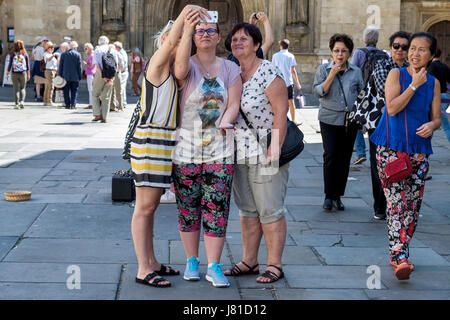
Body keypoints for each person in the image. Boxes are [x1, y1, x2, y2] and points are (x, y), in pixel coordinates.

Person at [130, 5, 209, 289]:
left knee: (150, 208)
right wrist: (187, 17)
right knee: (145, 207)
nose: (179, 45)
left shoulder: (175, 75)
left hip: (162, 146)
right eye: (174, 40)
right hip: (151, 143)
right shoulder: (156, 65)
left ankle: (151, 261)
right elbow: (172, 41)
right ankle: (142, 268)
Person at [173, 12, 242, 288]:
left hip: (220, 150)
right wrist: (186, 30)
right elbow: (178, 74)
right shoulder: (186, 65)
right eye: (199, 31)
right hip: (185, 150)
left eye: (210, 30)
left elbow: (234, 102)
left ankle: (214, 265)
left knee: (216, 207)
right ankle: (191, 261)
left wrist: (227, 119)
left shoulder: (230, 68)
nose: (204, 34)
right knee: (188, 207)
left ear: (218, 36)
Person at [370, 32, 441, 281]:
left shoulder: (434, 83)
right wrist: (413, 86)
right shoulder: (396, 75)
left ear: (432, 55)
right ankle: (400, 256)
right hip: (391, 148)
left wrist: (432, 126)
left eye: (422, 49)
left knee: (412, 206)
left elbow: (437, 118)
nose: (414, 53)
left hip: (420, 151)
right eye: (412, 48)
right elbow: (392, 108)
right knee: (397, 204)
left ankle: (400, 252)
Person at [224, 22, 289, 284]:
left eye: (244, 39)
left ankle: (275, 264)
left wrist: (276, 147)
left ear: (257, 45)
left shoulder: (268, 71)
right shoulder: (232, 73)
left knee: (270, 210)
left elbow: (281, 112)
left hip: (265, 150)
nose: (238, 42)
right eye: (234, 39)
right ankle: (250, 261)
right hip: (239, 152)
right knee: (248, 210)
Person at [353, 31, 411, 220]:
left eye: (404, 47)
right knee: (379, 164)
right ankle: (380, 206)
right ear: (390, 47)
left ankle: (399, 202)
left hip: (406, 124)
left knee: (404, 162)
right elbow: (387, 95)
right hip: (380, 123)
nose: (400, 50)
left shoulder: (413, 68)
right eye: (396, 46)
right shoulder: (382, 66)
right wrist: (411, 90)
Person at [313, 34, 364, 211]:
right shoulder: (323, 70)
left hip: (350, 121)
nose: (340, 54)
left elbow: (361, 94)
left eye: (343, 51)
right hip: (328, 118)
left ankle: (338, 196)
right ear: (331, 52)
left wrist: (361, 118)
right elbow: (319, 92)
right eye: (336, 51)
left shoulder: (356, 71)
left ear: (349, 53)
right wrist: (332, 74)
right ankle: (328, 195)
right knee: (331, 155)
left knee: (344, 158)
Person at [351, 27, 387, 165]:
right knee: (376, 123)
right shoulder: (384, 54)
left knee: (357, 121)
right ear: (377, 40)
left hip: (363, 93)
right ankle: (376, 152)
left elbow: (353, 72)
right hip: (379, 95)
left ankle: (360, 152)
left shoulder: (359, 53)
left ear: (364, 39)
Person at [272, 39, 302, 125]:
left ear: (280, 46)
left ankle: (278, 120)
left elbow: (273, 70)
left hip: (278, 83)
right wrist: (298, 83)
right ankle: (294, 120)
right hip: (288, 82)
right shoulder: (291, 56)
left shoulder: (275, 56)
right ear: (288, 46)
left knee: (278, 102)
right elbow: (293, 71)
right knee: (291, 102)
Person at [92, 35, 119, 123]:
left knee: (95, 94)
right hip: (111, 75)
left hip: (100, 75)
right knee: (106, 96)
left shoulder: (97, 50)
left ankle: (97, 114)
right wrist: (111, 78)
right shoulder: (113, 50)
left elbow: (97, 66)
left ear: (99, 42)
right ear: (107, 42)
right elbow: (116, 65)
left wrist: (103, 77)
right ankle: (105, 117)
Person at [427, 48, 450, 142]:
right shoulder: (445, 66)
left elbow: (430, 83)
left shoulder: (431, 66)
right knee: (443, 125)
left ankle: (424, 151)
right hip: (445, 97)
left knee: (434, 124)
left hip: (437, 97)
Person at [6, 40, 30, 109]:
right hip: (23, 73)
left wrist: (7, 73)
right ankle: (22, 102)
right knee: (22, 88)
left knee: (16, 89)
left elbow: (10, 64)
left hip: (14, 73)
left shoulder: (12, 54)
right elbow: (28, 66)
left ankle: (16, 104)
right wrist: (28, 74)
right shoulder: (25, 54)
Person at [59, 41, 83, 109]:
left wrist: (60, 75)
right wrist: (80, 76)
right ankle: (73, 104)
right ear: (75, 47)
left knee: (66, 91)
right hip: (75, 76)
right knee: (74, 91)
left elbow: (61, 66)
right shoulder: (78, 55)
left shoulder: (64, 54)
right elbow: (79, 67)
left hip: (65, 76)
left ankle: (67, 104)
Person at [31, 36, 48, 102]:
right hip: (41, 64)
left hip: (36, 64)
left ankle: (38, 95)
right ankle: (43, 96)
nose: (46, 42)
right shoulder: (41, 49)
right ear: (41, 41)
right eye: (45, 41)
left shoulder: (35, 47)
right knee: (43, 81)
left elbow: (33, 57)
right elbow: (43, 57)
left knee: (38, 82)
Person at [42, 41, 59, 106]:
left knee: (47, 86)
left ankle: (46, 100)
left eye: (53, 47)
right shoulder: (46, 53)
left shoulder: (50, 54)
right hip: (49, 71)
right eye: (51, 47)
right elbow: (48, 59)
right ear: (47, 48)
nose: (52, 49)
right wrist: (53, 55)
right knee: (51, 86)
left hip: (52, 71)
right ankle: (49, 100)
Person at [109, 43, 125, 112]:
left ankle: (118, 107)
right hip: (114, 73)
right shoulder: (116, 54)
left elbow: (122, 66)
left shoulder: (117, 54)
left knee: (115, 91)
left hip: (113, 73)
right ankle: (116, 107)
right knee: (115, 91)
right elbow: (122, 66)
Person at [83, 43, 96, 109]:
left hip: (90, 73)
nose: (85, 50)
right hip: (91, 73)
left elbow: (90, 65)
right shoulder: (92, 55)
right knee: (91, 89)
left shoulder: (91, 55)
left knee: (90, 89)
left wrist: (85, 64)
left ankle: (91, 104)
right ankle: (92, 103)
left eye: (86, 49)